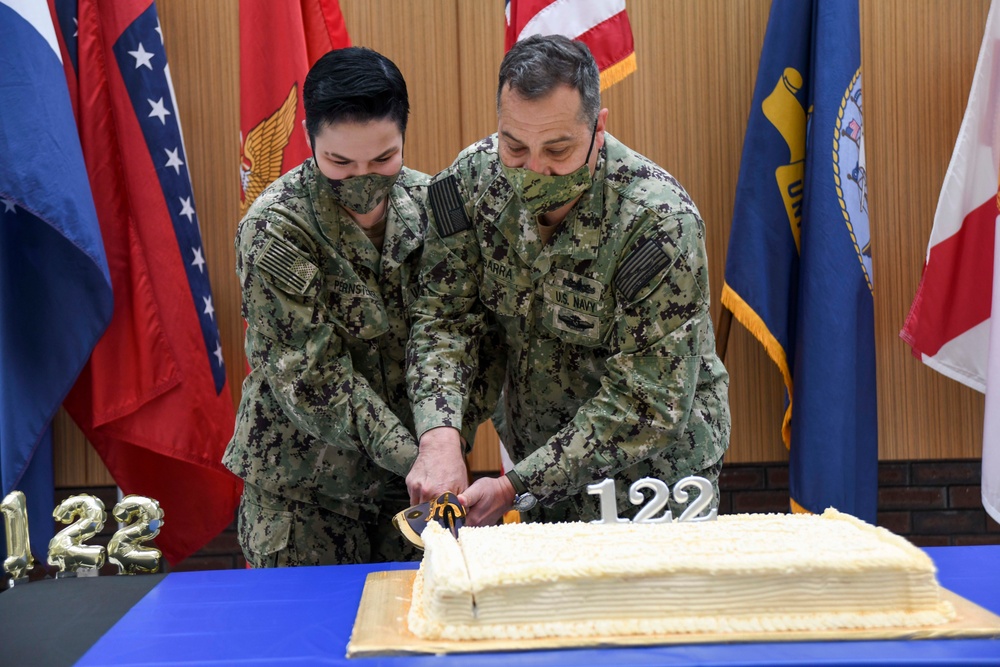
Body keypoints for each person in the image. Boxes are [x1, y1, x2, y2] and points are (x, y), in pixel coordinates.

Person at [406, 35, 731, 527]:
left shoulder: (655, 222)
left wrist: (520, 484)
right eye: (514, 146)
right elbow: (445, 319)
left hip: (654, 485)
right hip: (535, 470)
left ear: (598, 129)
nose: (535, 169)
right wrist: (441, 434)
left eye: (557, 149)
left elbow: (648, 401)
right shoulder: (471, 185)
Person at [225, 47, 495, 567]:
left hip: (417, 497)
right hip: (304, 495)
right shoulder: (275, 228)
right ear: (309, 136)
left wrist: (446, 441)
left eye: (383, 159)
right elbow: (313, 378)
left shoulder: (439, 207)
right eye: (339, 162)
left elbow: (462, 336)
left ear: (403, 135)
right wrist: (423, 456)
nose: (363, 180)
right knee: (306, 644)